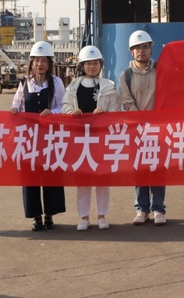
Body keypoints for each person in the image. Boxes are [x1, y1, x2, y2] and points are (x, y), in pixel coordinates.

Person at [10, 41, 67, 232]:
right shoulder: (24, 83)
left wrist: (52, 112)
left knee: (50, 174)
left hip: (50, 136)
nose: (40, 64)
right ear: (31, 63)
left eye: (44, 60)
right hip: (29, 137)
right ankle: (36, 216)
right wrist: (14, 109)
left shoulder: (57, 83)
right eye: (36, 60)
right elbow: (17, 103)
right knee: (31, 176)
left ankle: (50, 214)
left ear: (50, 63)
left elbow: (63, 106)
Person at [61, 45, 118, 231]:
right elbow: (64, 108)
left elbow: (116, 110)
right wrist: (72, 112)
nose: (92, 67)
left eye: (95, 63)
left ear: (101, 64)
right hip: (80, 140)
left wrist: (105, 113)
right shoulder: (73, 87)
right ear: (82, 65)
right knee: (82, 181)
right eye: (88, 63)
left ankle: (102, 216)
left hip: (101, 139)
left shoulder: (108, 86)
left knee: (103, 180)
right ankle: (84, 217)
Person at [118, 30, 165, 226]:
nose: (141, 51)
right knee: (140, 168)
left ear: (151, 49)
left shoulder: (162, 70)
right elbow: (127, 101)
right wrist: (141, 120)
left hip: (160, 129)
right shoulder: (126, 76)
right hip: (137, 129)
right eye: (137, 48)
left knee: (158, 169)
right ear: (131, 51)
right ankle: (142, 209)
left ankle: (158, 209)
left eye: (145, 47)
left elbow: (169, 94)